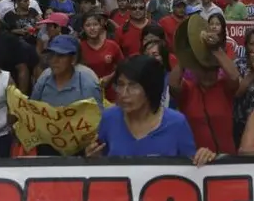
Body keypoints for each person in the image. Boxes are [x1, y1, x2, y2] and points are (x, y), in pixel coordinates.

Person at [87, 55, 215, 165]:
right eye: (120, 85)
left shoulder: (176, 123)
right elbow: (100, 163)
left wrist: (204, 157)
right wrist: (91, 158)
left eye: (133, 86)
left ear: (150, 89)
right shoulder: (109, 118)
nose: (124, 93)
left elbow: (191, 168)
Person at [169, 30, 242, 156]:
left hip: (227, 161)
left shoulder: (224, 88)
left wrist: (215, 49)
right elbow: (173, 84)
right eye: (203, 69)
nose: (208, 73)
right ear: (195, 70)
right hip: (195, 162)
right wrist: (185, 56)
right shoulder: (188, 90)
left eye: (212, 69)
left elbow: (235, 77)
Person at [79, 12, 125, 101]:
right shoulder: (79, 48)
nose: (92, 28)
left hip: (111, 95)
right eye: (88, 25)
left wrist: (110, 77)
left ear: (101, 26)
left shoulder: (112, 45)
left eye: (95, 24)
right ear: (83, 28)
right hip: (87, 96)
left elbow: (123, 66)